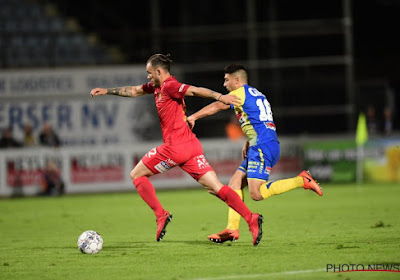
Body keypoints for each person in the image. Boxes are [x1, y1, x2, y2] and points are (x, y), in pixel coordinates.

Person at [90, 54, 263, 246]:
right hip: (191, 147)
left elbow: (195, 91)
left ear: (159, 72)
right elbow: (134, 90)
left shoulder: (170, 86)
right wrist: (106, 91)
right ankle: (251, 218)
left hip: (174, 148)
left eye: (149, 73)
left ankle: (161, 215)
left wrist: (220, 96)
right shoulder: (157, 87)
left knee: (136, 175)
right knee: (217, 188)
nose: (147, 77)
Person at [187, 64, 323, 243]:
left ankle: (301, 180)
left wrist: (193, 117)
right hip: (265, 143)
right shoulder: (257, 94)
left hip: (262, 147)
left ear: (237, 80)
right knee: (235, 182)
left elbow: (219, 105)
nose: (224, 84)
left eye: (227, 80)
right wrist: (249, 140)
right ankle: (232, 229)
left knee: (256, 194)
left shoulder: (239, 93)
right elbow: (261, 120)